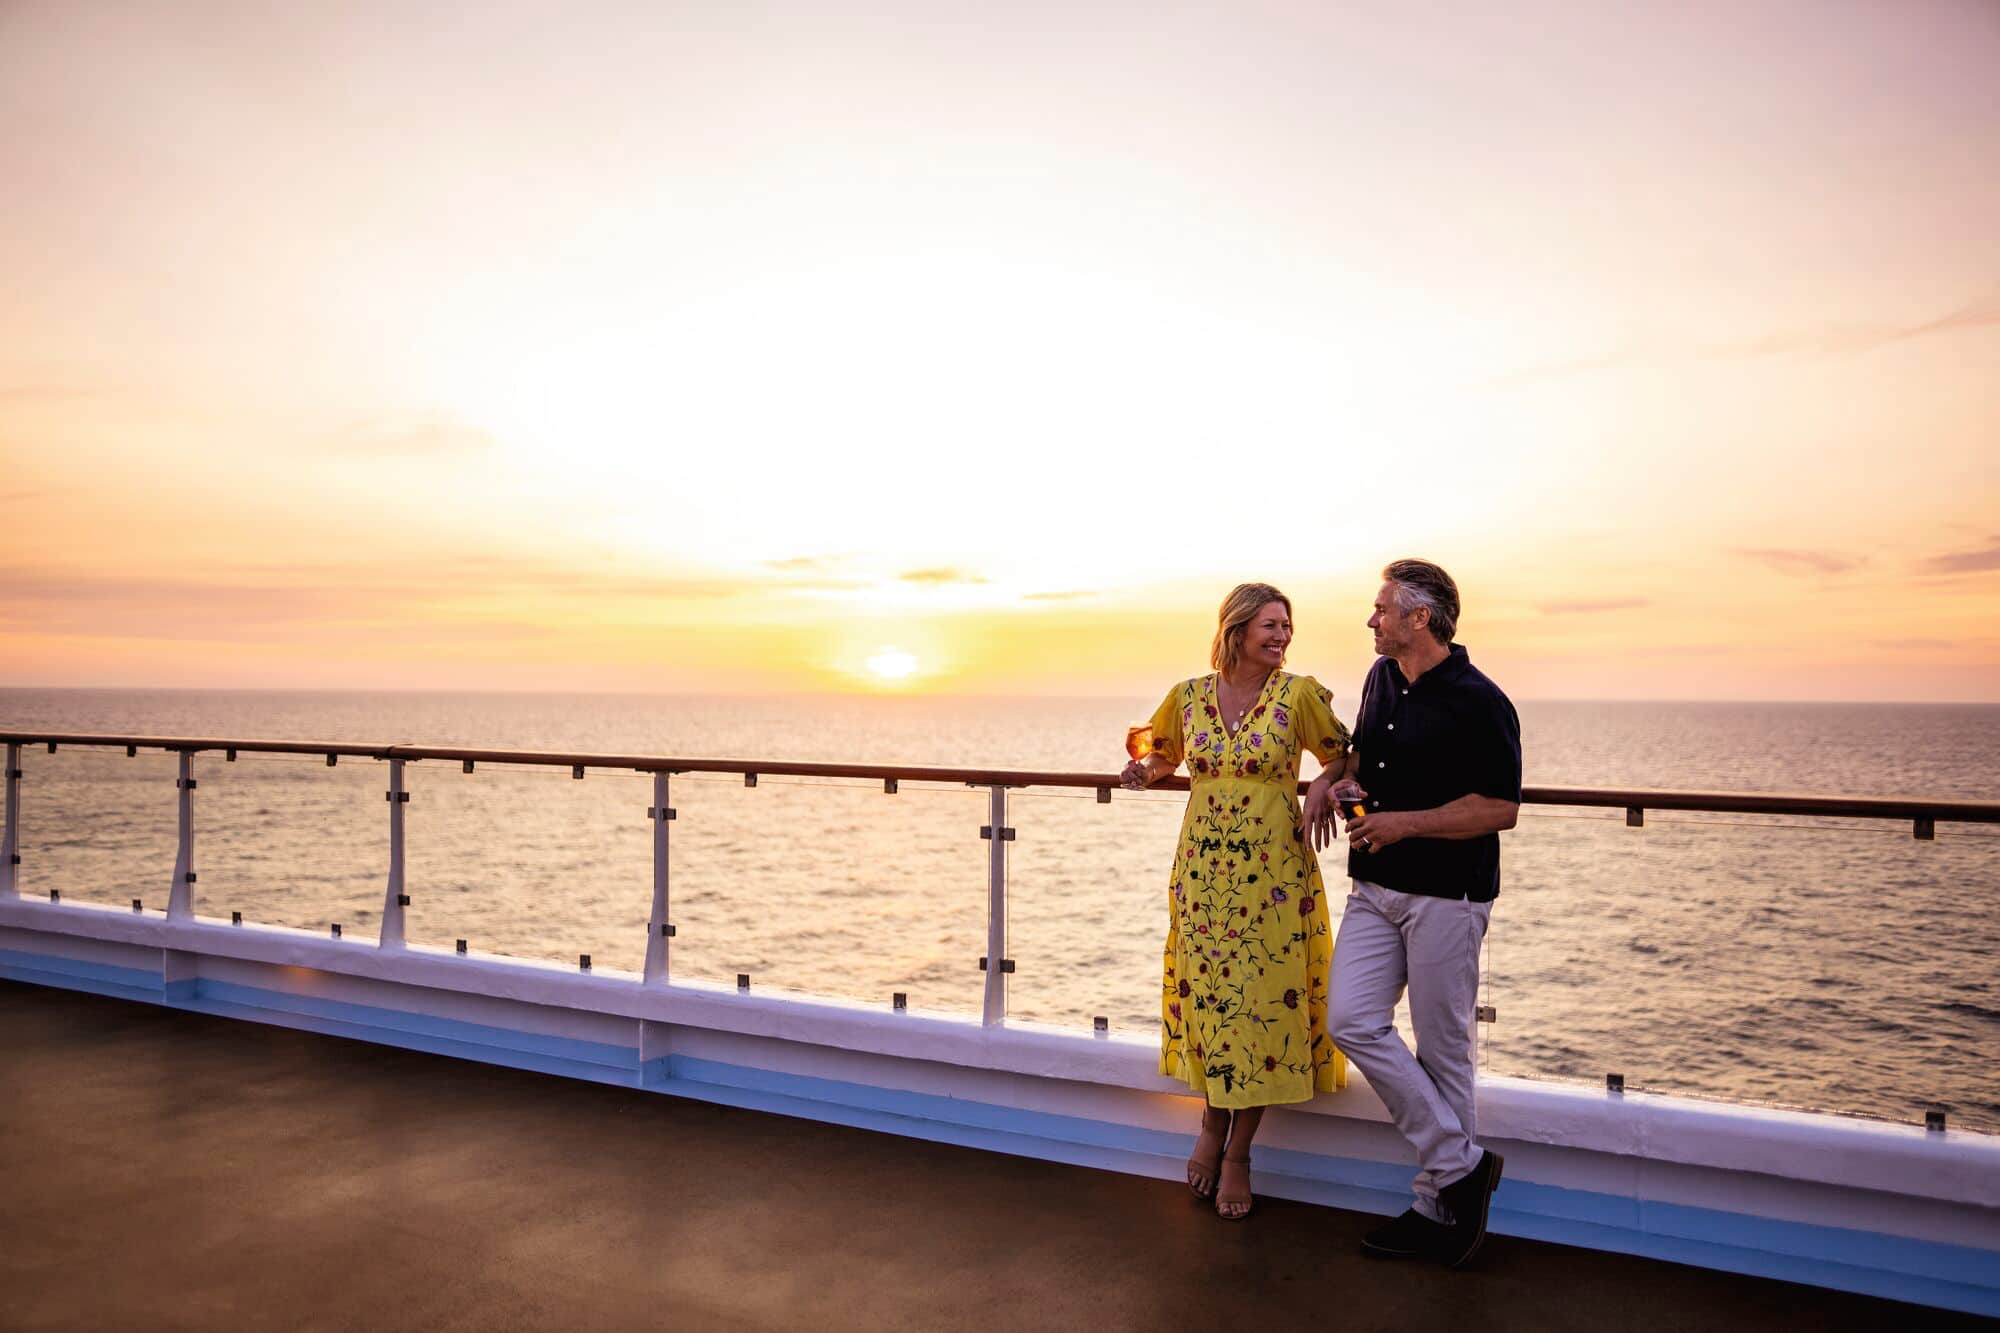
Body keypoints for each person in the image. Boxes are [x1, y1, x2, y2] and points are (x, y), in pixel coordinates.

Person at [1305, 558, 1521, 1267]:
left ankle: (1440, 1205)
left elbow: (1499, 808)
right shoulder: (1380, 679)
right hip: (1376, 885)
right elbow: (1364, 755)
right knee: (1349, 1019)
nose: (1372, 619)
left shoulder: (1481, 700)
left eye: (1381, 609)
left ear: (1418, 618)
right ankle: (1461, 1165)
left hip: (1448, 896)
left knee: (1443, 1048)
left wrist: (1402, 824)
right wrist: (1334, 782)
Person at [1121, 582, 1355, 1220]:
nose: (1281, 637)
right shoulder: (1189, 696)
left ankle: (1235, 1151)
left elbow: (1348, 754)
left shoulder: (1298, 694)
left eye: (1287, 627)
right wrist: (1144, 772)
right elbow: (1165, 755)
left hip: (1273, 878)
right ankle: (1210, 1124)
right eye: (1271, 626)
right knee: (1217, 1003)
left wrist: (1320, 786)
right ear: (1236, 629)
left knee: (1260, 1009)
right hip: (1202, 874)